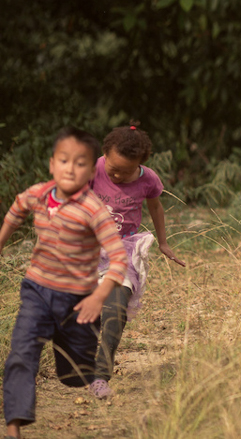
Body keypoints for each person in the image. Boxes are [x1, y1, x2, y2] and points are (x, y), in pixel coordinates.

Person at [0, 127, 128, 438]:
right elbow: (16, 210)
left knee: (74, 375)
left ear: (92, 171)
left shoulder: (93, 209)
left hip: (79, 300)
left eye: (81, 162)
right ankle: (14, 424)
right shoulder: (38, 194)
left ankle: (74, 359)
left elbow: (119, 259)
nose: (71, 168)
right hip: (37, 291)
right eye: (64, 160)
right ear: (52, 164)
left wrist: (99, 296)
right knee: (22, 351)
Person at [88, 124, 185, 398]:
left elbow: (155, 206)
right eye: (113, 169)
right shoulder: (91, 170)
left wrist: (164, 242)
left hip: (122, 251)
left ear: (140, 165)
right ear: (104, 154)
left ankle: (99, 377)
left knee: (116, 310)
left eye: (125, 171)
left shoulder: (149, 179)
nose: (117, 175)